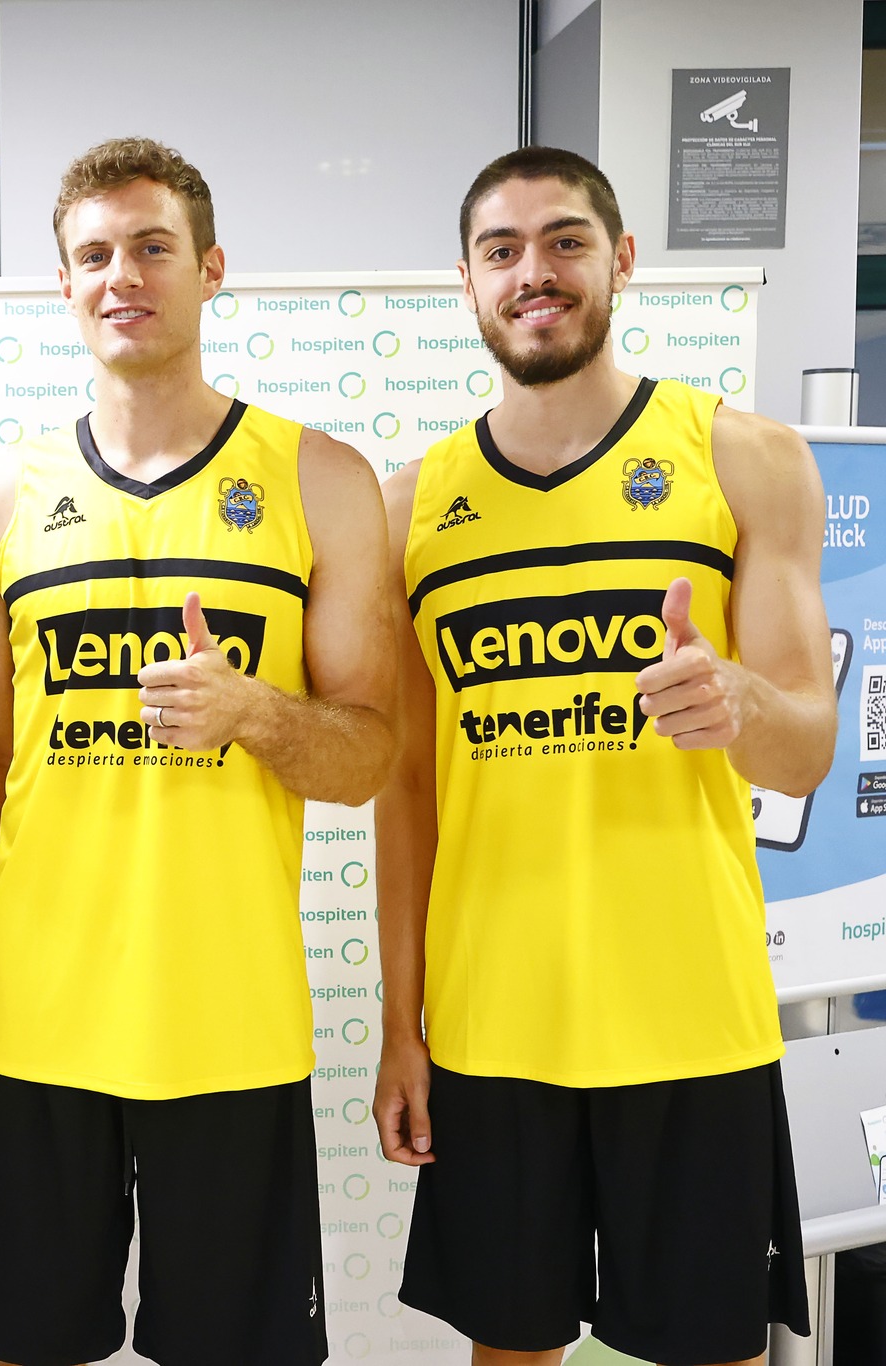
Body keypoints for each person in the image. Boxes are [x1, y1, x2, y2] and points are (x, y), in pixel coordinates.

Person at [0, 136, 397, 1366]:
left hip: (225, 1020)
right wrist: (6, 934)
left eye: (150, 247)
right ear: (63, 282)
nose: (120, 275)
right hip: (35, 1021)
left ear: (209, 268)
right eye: (93, 255)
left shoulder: (317, 478)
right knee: (27, 1345)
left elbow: (368, 757)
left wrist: (257, 714)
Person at [373, 146, 832, 1366]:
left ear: (620, 259)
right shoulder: (407, 506)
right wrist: (398, 1026)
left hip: (689, 1016)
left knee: (712, 1348)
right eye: (501, 250)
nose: (534, 271)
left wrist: (739, 698)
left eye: (564, 241)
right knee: (507, 1349)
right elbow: (405, 793)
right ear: (467, 282)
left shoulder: (742, 457)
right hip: (491, 1024)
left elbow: (804, 753)